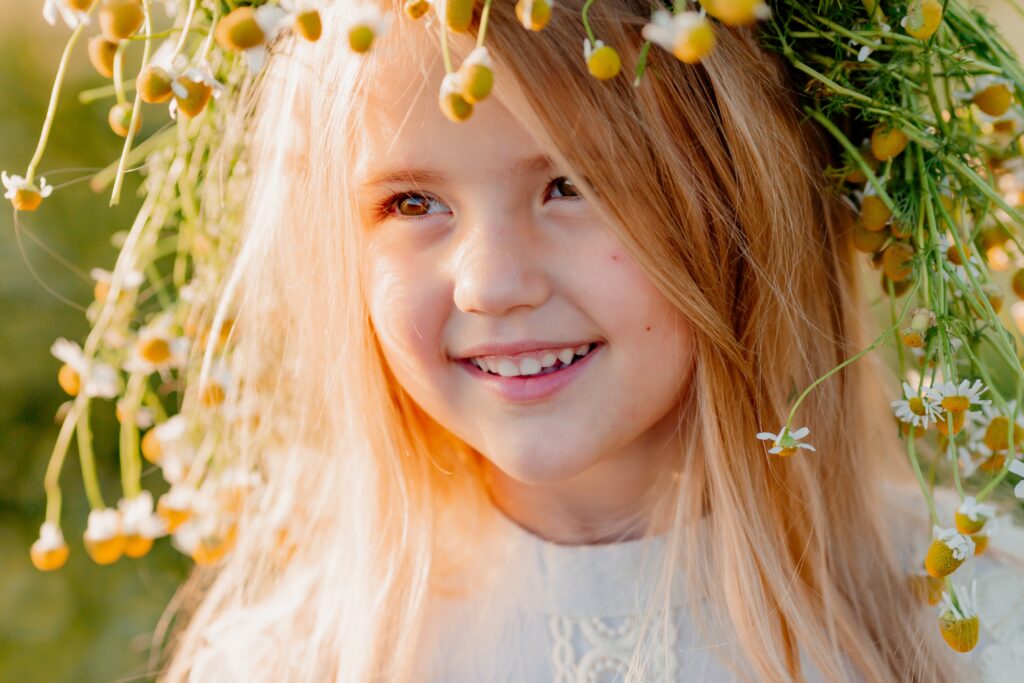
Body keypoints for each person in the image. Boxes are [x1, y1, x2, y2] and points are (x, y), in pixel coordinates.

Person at [143, 1, 1024, 681]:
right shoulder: (296, 660)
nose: (490, 282)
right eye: (412, 204)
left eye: (572, 182)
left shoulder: (977, 622)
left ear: (747, 199)